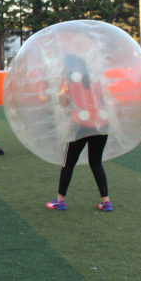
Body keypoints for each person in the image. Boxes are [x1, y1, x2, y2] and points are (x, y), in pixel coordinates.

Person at [46, 54, 112, 212]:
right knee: (96, 163)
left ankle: (60, 200)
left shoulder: (68, 82)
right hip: (102, 125)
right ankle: (106, 202)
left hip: (81, 125)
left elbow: (63, 103)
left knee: (68, 163)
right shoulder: (95, 81)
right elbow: (103, 100)